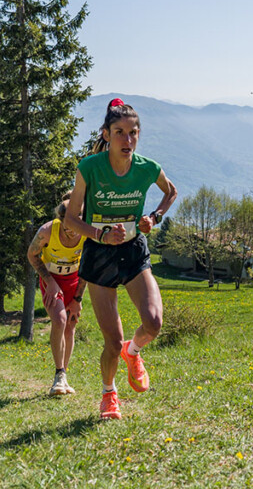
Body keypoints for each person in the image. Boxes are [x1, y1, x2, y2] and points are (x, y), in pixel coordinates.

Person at [64, 98, 177, 420]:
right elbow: (71, 218)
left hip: (133, 249)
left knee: (153, 323)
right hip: (99, 254)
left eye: (133, 133)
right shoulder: (90, 167)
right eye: (120, 133)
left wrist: (153, 217)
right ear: (107, 134)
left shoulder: (148, 168)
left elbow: (171, 192)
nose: (127, 140)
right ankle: (109, 394)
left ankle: (134, 351)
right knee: (111, 342)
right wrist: (99, 234)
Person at [27, 193, 86, 396]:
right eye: (66, 224)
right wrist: (49, 282)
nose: (70, 230)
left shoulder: (88, 233)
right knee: (59, 321)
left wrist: (78, 299)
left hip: (75, 281)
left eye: (75, 224)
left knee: (70, 326)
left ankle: (64, 376)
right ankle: (58, 374)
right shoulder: (47, 231)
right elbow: (31, 254)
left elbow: (89, 266)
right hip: (52, 280)